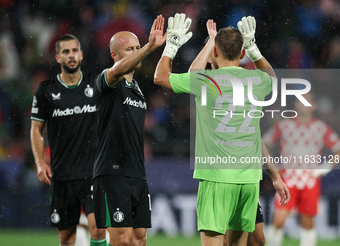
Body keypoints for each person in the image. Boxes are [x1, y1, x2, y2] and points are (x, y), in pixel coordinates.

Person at [154, 13, 289, 246]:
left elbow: (160, 77)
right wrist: (254, 48)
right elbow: (272, 77)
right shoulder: (256, 81)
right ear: (243, 53)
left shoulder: (205, 82)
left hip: (217, 177)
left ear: (215, 53)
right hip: (248, 180)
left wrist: (172, 46)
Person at [92, 15, 166, 246]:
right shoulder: (107, 81)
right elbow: (116, 72)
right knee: (121, 240)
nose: (135, 53)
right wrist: (148, 47)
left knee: (139, 239)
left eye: (137, 48)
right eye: (129, 50)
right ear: (114, 55)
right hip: (112, 170)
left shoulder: (137, 89)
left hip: (137, 171)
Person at [30, 34, 107, 246]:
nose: (71, 56)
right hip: (62, 174)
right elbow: (36, 129)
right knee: (66, 237)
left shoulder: (96, 84)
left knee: (99, 229)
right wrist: (39, 162)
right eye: (65, 52)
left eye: (74, 51)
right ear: (57, 58)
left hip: (94, 172)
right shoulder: (46, 90)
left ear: (81, 55)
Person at [264, 93, 340, 246]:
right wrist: (273, 166)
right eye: (300, 100)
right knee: (279, 219)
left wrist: (325, 168)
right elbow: (263, 144)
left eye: (308, 100)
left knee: (307, 221)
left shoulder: (320, 128)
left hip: (310, 180)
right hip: (288, 179)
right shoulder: (284, 125)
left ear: (314, 106)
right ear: (295, 105)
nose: (303, 103)